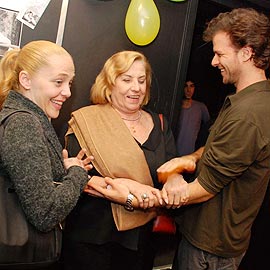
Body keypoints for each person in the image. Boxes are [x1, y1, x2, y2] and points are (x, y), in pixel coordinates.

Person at [157, 7, 270, 270]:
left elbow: (204, 189)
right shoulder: (247, 101)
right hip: (209, 240)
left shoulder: (248, 115)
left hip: (209, 250)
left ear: (246, 52)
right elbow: (217, 148)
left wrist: (159, 188)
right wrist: (189, 158)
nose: (213, 62)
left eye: (220, 54)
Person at [62, 50, 177, 270]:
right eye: (127, 79)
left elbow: (169, 172)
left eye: (142, 80)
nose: (137, 87)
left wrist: (173, 181)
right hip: (91, 240)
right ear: (110, 83)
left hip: (142, 241)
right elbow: (74, 175)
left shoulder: (160, 123)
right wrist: (130, 193)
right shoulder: (88, 121)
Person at [0, 40, 93, 269]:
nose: (68, 92)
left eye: (69, 83)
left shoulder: (22, 116)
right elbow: (46, 213)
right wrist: (76, 174)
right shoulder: (24, 123)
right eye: (59, 82)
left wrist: (60, 169)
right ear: (26, 80)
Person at [175, 79, 210, 156]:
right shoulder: (175, 105)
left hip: (191, 155)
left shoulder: (200, 107)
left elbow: (208, 127)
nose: (188, 90)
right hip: (172, 153)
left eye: (191, 86)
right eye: (186, 86)